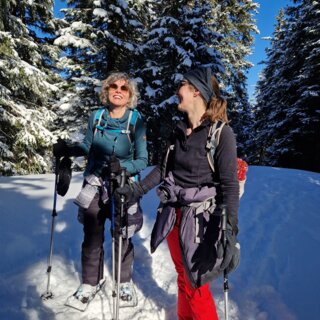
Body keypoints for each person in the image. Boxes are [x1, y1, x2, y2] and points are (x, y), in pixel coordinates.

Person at [117, 67, 240, 319]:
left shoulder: (221, 134)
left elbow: (229, 186)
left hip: (202, 222)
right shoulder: (178, 132)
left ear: (196, 91)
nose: (177, 90)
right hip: (173, 215)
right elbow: (163, 170)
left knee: (196, 284)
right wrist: (136, 191)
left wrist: (228, 230)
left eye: (182, 85)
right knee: (183, 277)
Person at [53, 72, 148, 307]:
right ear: (106, 90)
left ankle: (123, 281)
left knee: (122, 232)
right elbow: (87, 145)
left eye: (124, 88)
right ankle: (90, 282)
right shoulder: (95, 117)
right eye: (113, 86)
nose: (118, 90)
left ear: (130, 94)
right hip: (95, 183)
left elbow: (144, 159)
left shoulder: (136, 120)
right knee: (92, 233)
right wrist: (67, 149)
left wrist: (122, 166)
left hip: (123, 185)